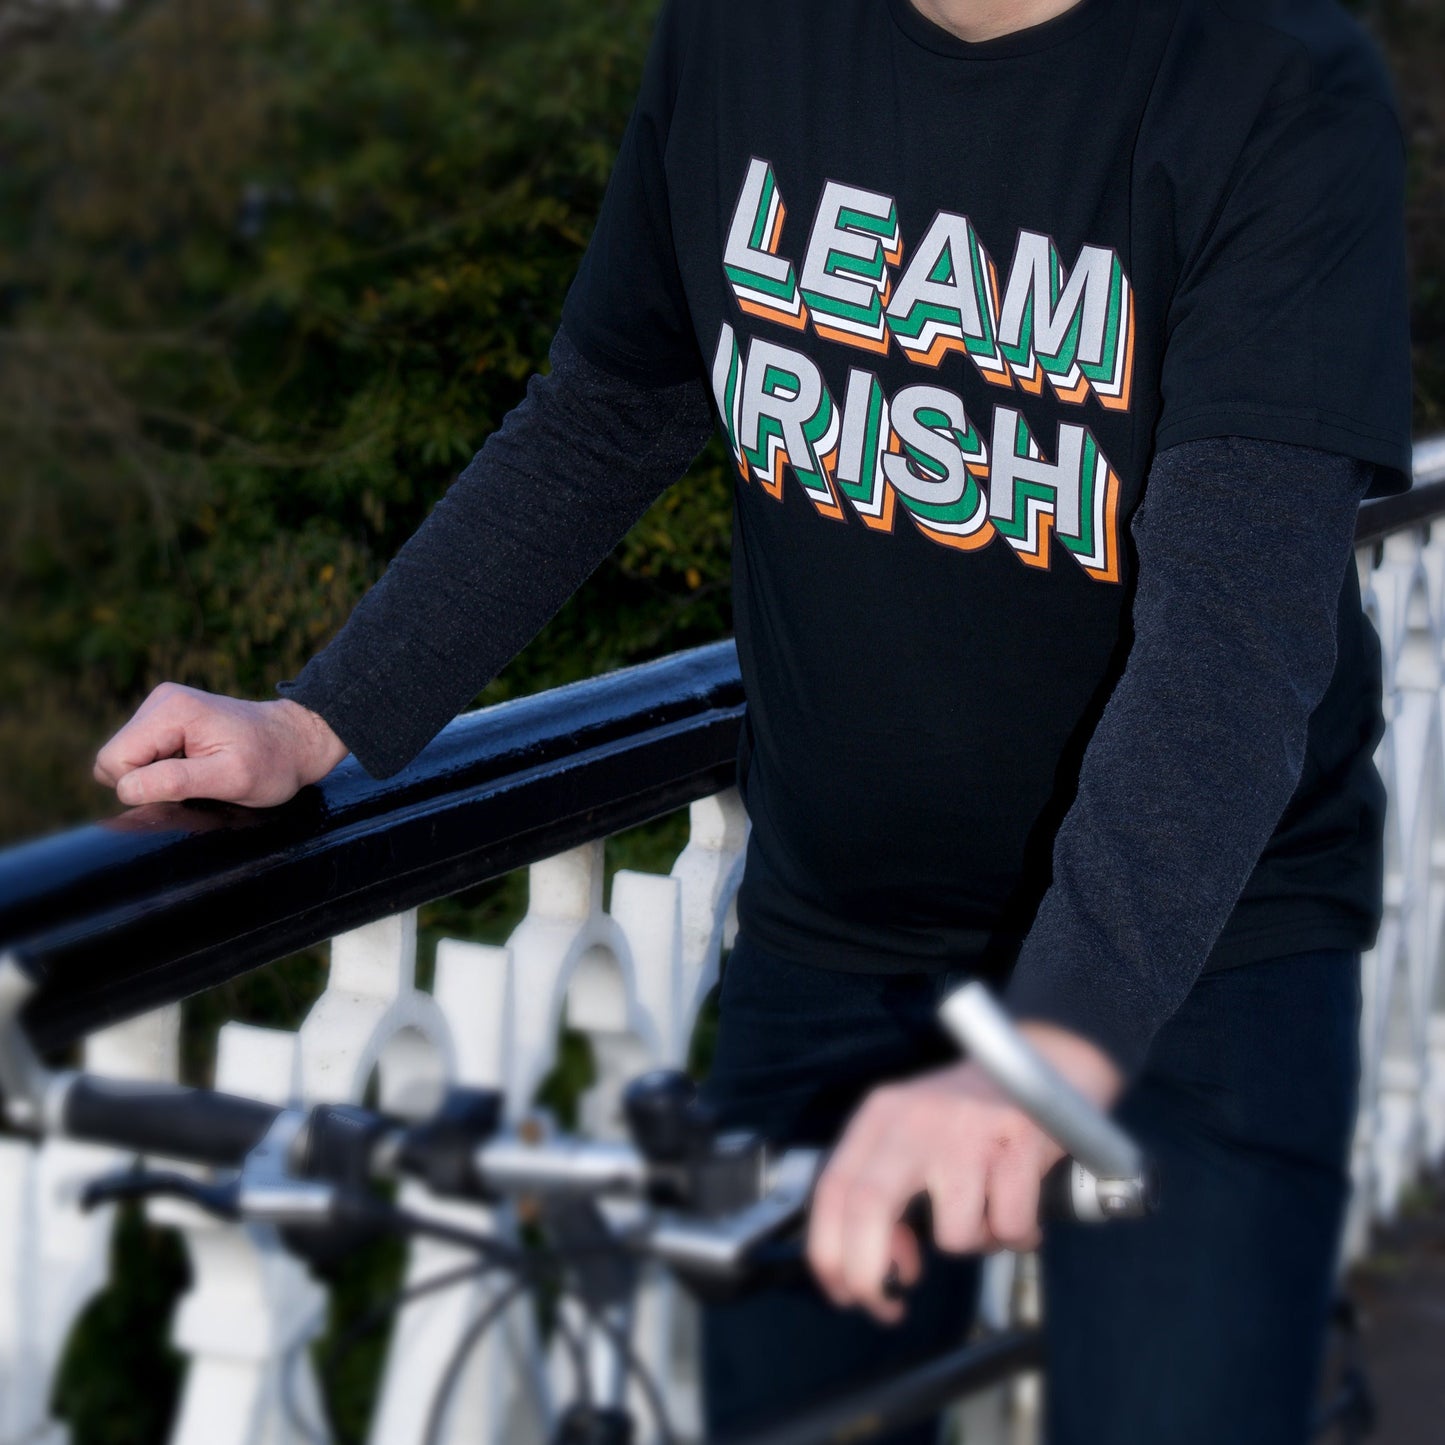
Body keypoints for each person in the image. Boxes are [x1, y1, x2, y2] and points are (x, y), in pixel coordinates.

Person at [93, 0, 1414, 1440]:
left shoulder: (1276, 81)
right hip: (838, 938)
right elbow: (606, 413)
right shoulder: (737, 34)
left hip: (1193, 951)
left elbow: (1232, 630)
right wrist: (320, 718)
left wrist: (1046, 1045)